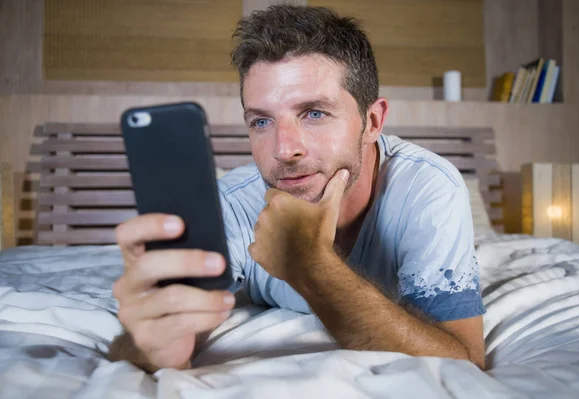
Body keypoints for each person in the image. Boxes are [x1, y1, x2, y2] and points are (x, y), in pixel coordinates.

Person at [108, 5, 486, 373]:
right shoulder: (234, 205)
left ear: (372, 121)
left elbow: (464, 361)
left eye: (314, 113)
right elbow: (152, 340)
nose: (284, 149)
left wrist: (311, 263)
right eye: (261, 121)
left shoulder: (426, 188)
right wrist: (153, 345)